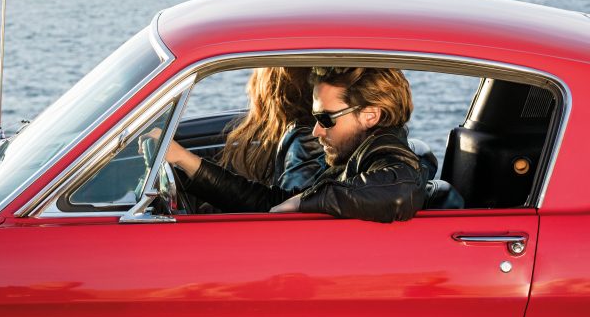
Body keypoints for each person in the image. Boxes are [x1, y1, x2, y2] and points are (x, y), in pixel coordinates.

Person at [145, 67, 427, 223]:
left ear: (370, 116)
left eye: (325, 119)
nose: (316, 130)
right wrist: (184, 160)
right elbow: (269, 202)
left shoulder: (385, 156)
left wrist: (303, 202)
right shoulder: (353, 159)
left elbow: (400, 191)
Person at [218, 67, 324, 191]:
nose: (248, 88)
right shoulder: (296, 135)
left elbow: (288, 202)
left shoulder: (305, 142)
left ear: (272, 89)